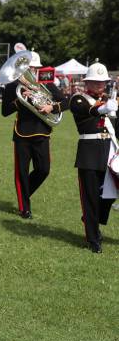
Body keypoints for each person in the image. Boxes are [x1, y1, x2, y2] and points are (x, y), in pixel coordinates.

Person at [2, 50, 68, 219]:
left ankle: (24, 194)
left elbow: (65, 102)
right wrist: (19, 99)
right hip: (22, 132)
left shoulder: (46, 83)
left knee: (43, 170)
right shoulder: (12, 85)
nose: (32, 70)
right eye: (30, 67)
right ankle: (25, 208)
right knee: (21, 172)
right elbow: (4, 111)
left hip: (42, 131)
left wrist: (51, 107)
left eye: (34, 67)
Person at [69, 61, 117, 253]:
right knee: (89, 198)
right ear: (87, 82)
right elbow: (88, 111)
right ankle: (93, 238)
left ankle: (93, 218)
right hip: (89, 152)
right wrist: (103, 109)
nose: (100, 85)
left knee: (109, 194)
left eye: (102, 82)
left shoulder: (107, 99)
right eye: (96, 82)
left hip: (109, 151)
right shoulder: (78, 99)